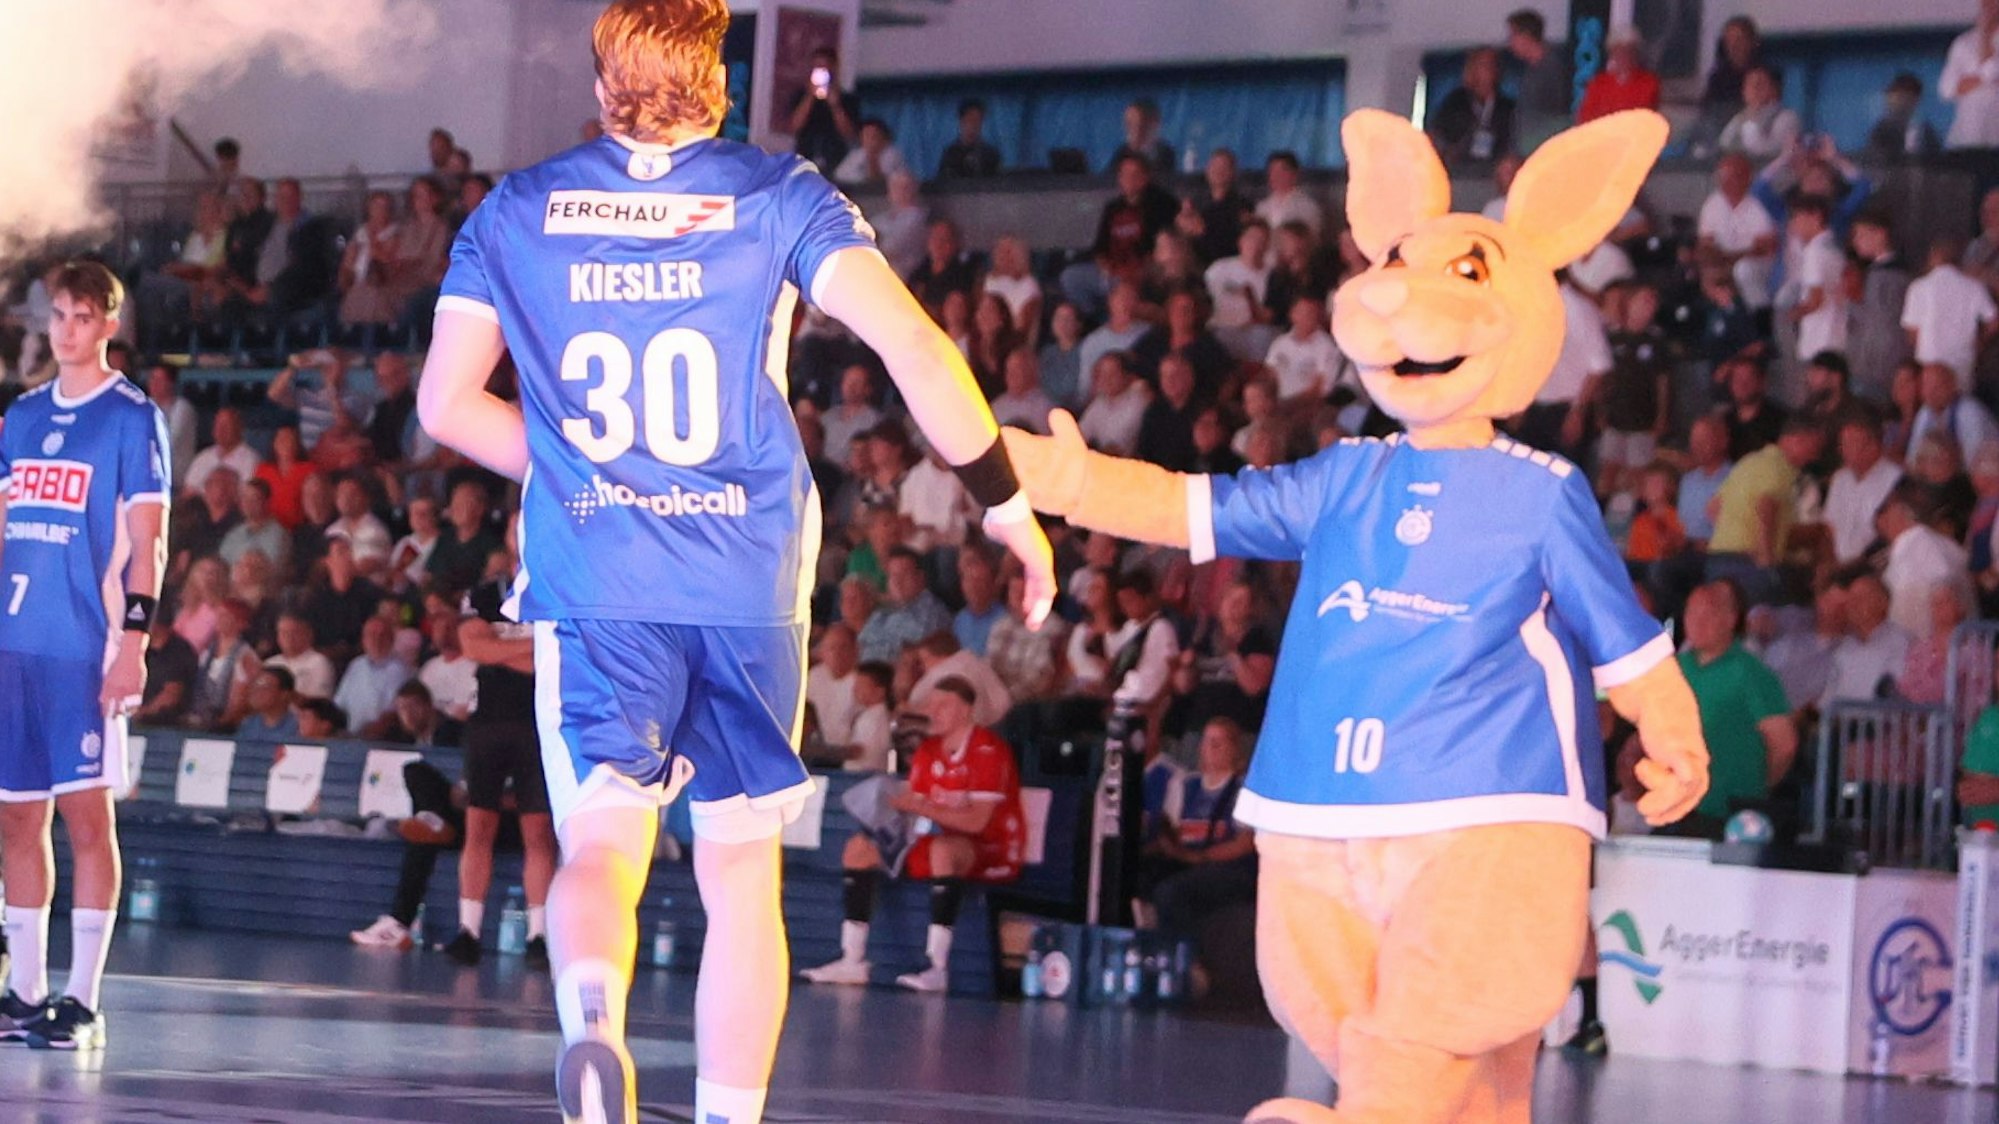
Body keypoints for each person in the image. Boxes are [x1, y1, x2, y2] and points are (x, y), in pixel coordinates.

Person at [416, 5, 1056, 1121]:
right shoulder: (779, 194)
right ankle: (726, 1113)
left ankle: (591, 1018)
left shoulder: (514, 207)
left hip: (601, 577)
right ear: (715, 72)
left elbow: (444, 404)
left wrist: (572, 468)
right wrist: (1005, 503)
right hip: (745, 578)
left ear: (604, 74)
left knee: (603, 840)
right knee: (739, 875)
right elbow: (912, 342)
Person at [0, 263, 169, 1052]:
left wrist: (132, 643)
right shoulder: (23, 416)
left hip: (83, 648)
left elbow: (149, 541)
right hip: (14, 645)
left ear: (108, 322)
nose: (66, 329)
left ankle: (82, 997)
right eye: (57, 316)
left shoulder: (133, 417)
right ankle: (25, 990)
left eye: (81, 316)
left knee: (86, 817)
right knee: (14, 818)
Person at [801, 677, 1025, 991]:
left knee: (943, 850)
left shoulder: (989, 750)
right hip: (932, 839)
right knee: (858, 848)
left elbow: (976, 823)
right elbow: (915, 808)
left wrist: (921, 808)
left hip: (989, 847)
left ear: (965, 710)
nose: (931, 712)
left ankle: (938, 968)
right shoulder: (928, 751)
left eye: (941, 705)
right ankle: (852, 960)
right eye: (930, 704)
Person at [441, 532, 556, 970]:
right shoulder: (486, 591)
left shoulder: (556, 586)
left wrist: (498, 650)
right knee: (479, 826)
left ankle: (538, 934)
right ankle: (468, 930)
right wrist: (530, 648)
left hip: (537, 723)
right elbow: (472, 645)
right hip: (489, 723)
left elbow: (556, 654)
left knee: (538, 832)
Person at [1676, 581, 1796, 836]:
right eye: (1691, 612)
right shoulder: (1675, 668)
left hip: (1730, 816)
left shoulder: (1751, 673)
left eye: (1707, 613)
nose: (1697, 621)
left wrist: (1753, 786)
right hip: (1678, 808)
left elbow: (1784, 744)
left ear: (1730, 620)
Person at [1427, 47, 1515, 166]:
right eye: (1483, 65)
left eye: (1492, 65)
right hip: (1460, 173)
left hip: (1494, 172)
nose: (1488, 70)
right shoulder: (1455, 103)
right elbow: (1438, 136)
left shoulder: (1508, 108)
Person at [1506, 8, 1573, 152]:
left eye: (1513, 36)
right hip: (1527, 147)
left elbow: (1556, 119)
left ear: (1526, 36)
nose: (1509, 42)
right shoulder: (1531, 70)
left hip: (1540, 149)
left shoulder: (1552, 70)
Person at [786, 45, 858, 174]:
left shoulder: (847, 99)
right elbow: (793, 127)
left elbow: (850, 134)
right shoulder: (800, 97)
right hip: (805, 158)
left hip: (836, 161)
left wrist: (835, 106)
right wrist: (809, 96)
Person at [1945, 1, 1999, 150]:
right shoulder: (1963, 43)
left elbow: (1993, 69)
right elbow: (1947, 89)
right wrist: (1985, 78)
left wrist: (1973, 80)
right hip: (1968, 139)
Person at [1577, 30, 1661, 123]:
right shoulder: (1598, 83)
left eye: (1629, 51)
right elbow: (1585, 117)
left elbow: (1647, 117)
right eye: (1618, 51)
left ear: (1637, 54)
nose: (1624, 56)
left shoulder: (1649, 83)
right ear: (1611, 54)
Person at [1719, 66, 1801, 159]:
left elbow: (1763, 152)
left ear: (1775, 89)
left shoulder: (1788, 118)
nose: (1754, 88)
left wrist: (1751, 120)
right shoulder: (1740, 117)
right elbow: (1724, 144)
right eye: (1749, 84)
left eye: (1760, 83)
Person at [1868, 72, 1942, 159]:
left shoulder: (1926, 132)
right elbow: (1876, 161)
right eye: (1894, 97)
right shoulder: (1881, 131)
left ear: (1916, 100)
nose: (1897, 102)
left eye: (1905, 97)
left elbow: (1936, 159)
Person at [831, 118, 907, 188]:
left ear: (884, 138)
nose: (869, 140)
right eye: (866, 135)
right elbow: (839, 176)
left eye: (873, 136)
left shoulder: (893, 154)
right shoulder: (856, 154)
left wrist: (872, 158)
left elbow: (877, 183)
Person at [936, 98, 1001, 178]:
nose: (974, 125)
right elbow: (944, 183)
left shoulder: (991, 154)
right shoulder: (951, 154)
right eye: (970, 120)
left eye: (977, 120)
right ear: (961, 121)